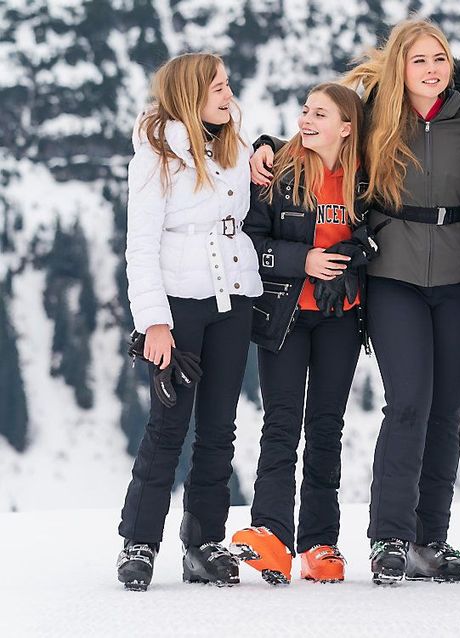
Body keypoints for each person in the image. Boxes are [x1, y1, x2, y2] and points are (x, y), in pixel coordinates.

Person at [250, 18, 460, 584]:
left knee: (448, 410)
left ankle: (431, 539)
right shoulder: (377, 117)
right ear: (397, 68)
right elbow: (322, 129)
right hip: (392, 275)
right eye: (419, 60)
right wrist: (263, 146)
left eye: (440, 58)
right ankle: (389, 538)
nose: (432, 70)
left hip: (459, 275)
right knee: (409, 401)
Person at [117, 52, 262, 591]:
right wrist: (154, 322)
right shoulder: (156, 154)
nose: (228, 94)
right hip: (179, 306)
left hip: (233, 299)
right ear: (189, 93)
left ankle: (202, 544)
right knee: (168, 425)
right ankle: (139, 542)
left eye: (228, 85)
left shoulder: (233, 144)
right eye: (217, 88)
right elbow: (139, 245)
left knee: (219, 427)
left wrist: (264, 146)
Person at [230, 83, 370, 586]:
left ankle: (319, 544)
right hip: (285, 315)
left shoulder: (367, 174)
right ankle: (271, 535)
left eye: (320, 114)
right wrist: (304, 261)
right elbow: (252, 240)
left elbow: (378, 231)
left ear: (347, 127)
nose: (307, 120)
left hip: (341, 316)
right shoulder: (278, 172)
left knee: (327, 426)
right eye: (305, 111)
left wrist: (355, 259)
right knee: (283, 422)